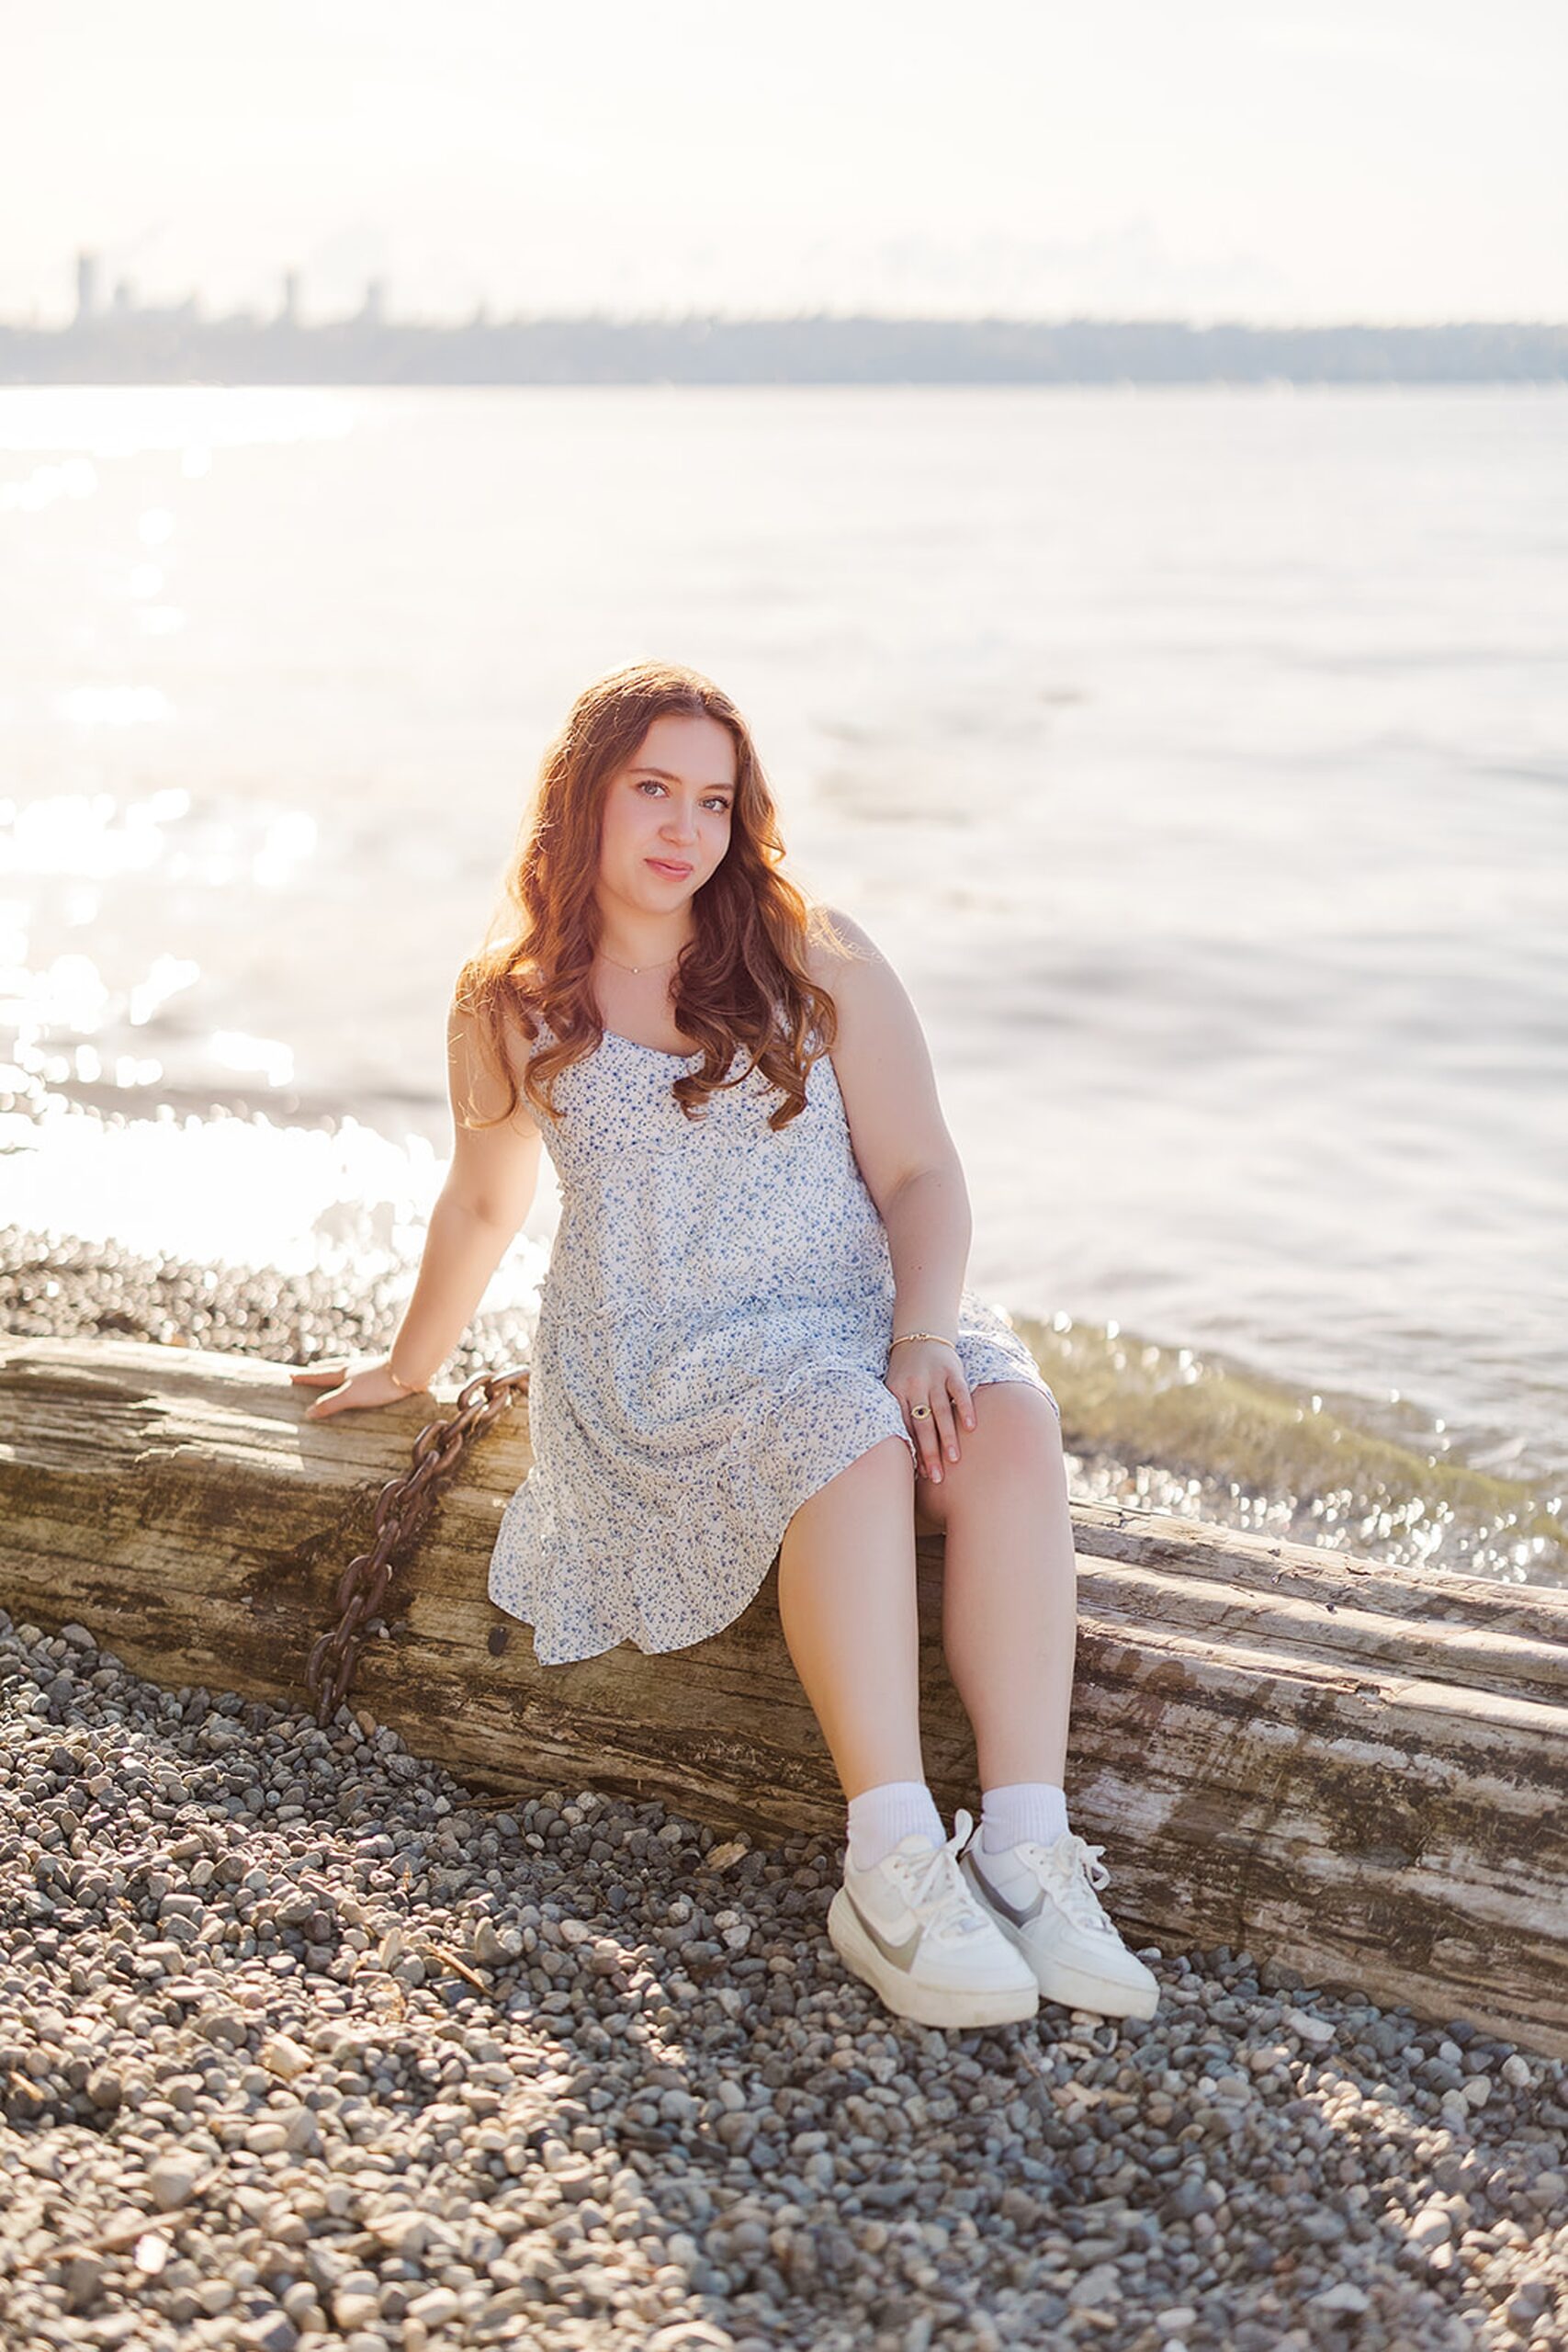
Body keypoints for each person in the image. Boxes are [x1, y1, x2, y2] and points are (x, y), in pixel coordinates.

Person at [292, 659, 1157, 2033]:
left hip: (851, 1302)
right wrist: (408, 1365)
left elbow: (925, 1173)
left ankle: (1024, 1843)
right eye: (652, 789)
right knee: (850, 1438)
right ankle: (889, 1865)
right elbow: (482, 1196)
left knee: (1013, 1423)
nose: (683, 827)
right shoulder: (507, 998)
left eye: (713, 798)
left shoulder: (817, 953)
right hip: (659, 1345)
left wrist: (924, 1332)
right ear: (583, 799)